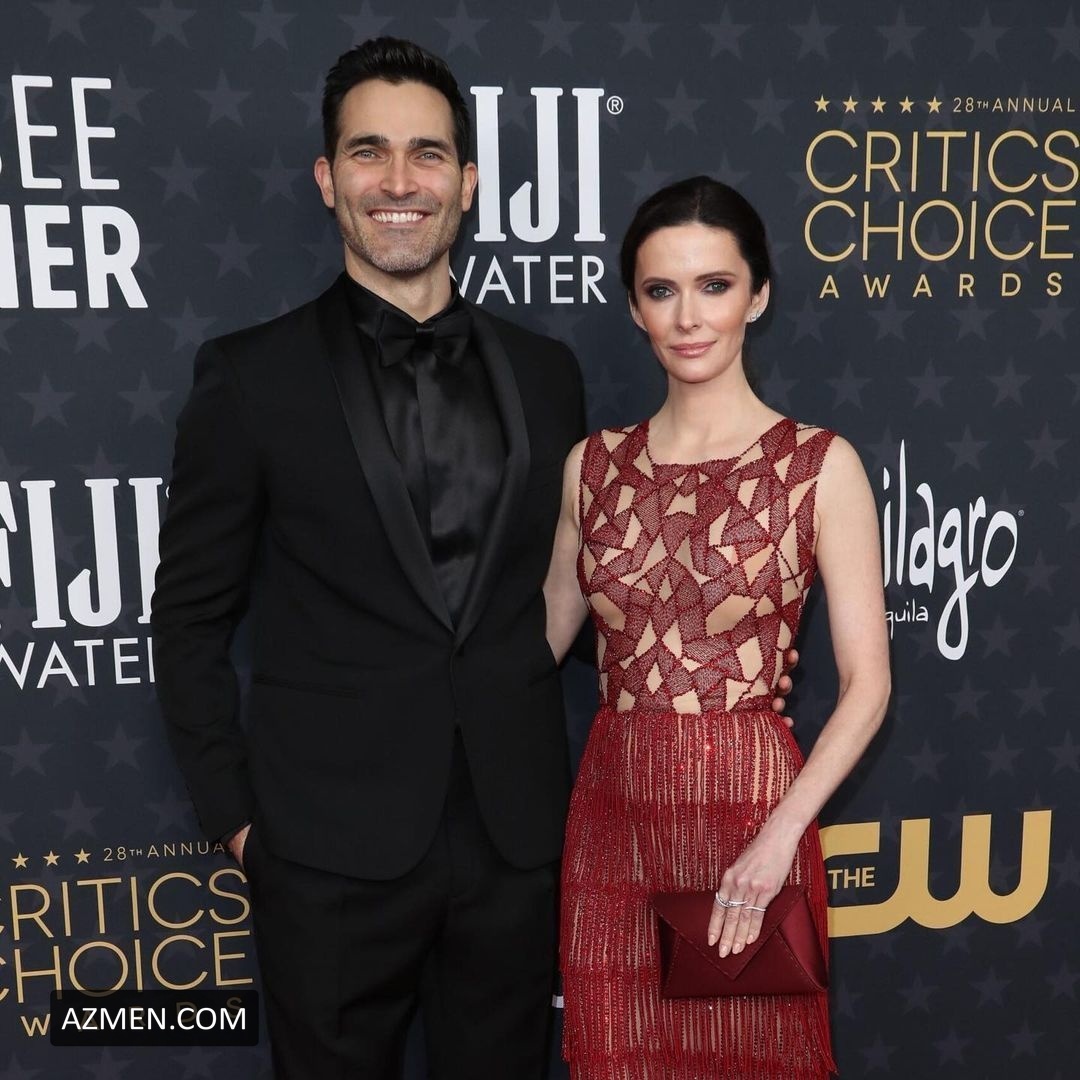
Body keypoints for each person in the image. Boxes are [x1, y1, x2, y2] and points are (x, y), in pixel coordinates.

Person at [150, 37, 588, 1079]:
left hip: (513, 838)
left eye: (427, 153)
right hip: (325, 855)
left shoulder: (548, 374)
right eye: (368, 152)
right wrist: (239, 826)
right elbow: (190, 615)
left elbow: (573, 581)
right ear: (327, 178)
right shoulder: (250, 377)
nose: (399, 181)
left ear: (467, 182)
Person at [543, 177, 891, 1079]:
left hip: (752, 820)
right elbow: (534, 645)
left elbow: (868, 686)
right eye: (662, 290)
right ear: (634, 308)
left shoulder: (820, 466)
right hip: (613, 824)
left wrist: (781, 838)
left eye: (715, 285)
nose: (689, 317)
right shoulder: (592, 467)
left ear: (758, 295)